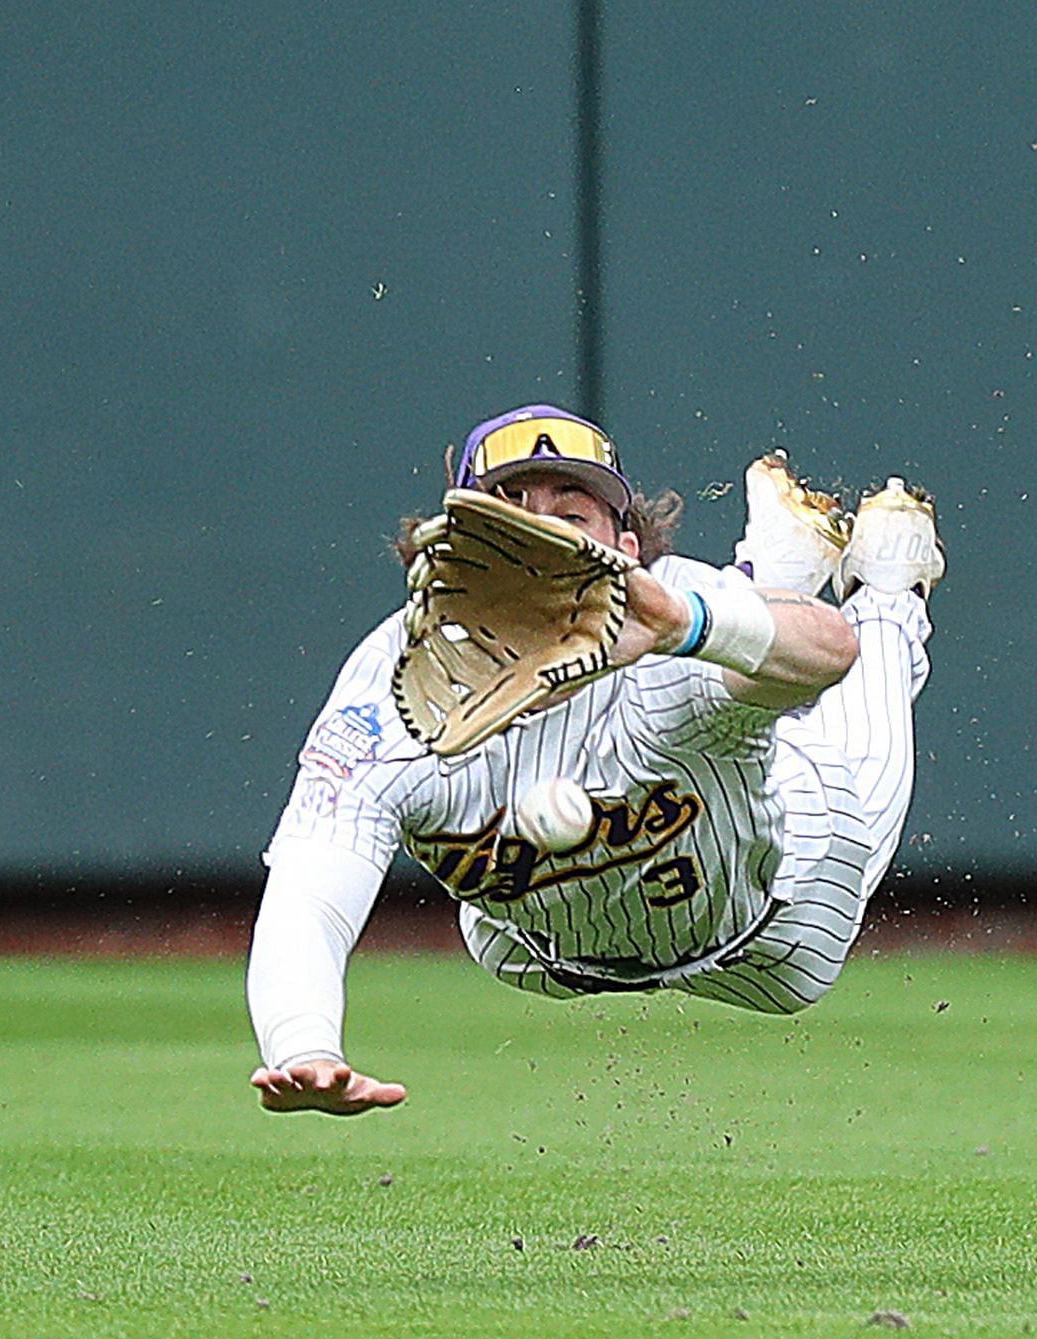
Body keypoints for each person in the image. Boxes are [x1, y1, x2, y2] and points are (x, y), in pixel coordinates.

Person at [246, 404, 942, 1115]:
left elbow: (828, 654)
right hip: (536, 951)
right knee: (487, 935)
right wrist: (304, 1045)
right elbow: (310, 892)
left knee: (858, 754)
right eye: (507, 512)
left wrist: (691, 624)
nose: (539, 533)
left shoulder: (667, 615)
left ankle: (887, 594)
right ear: (456, 549)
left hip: (766, 923)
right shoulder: (390, 690)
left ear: (628, 549)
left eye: (570, 516)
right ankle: (775, 566)